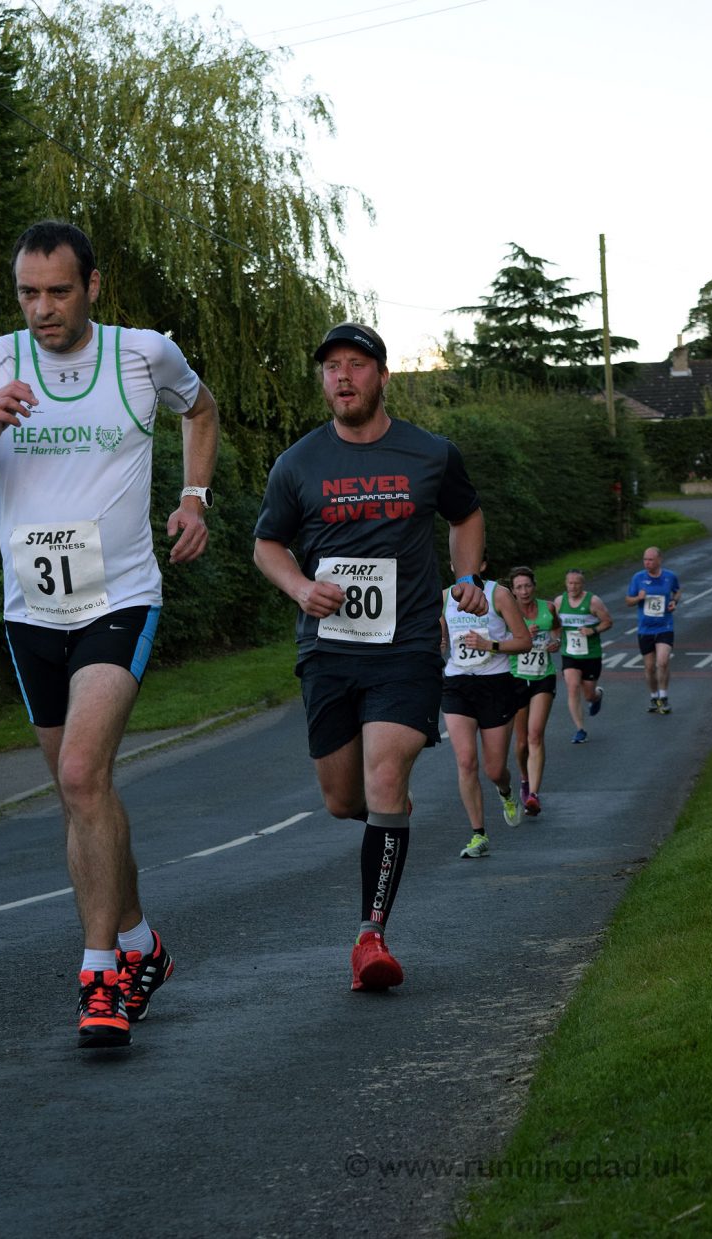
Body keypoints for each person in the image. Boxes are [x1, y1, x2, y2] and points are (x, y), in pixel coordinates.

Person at [0, 220, 219, 1049]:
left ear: (92, 285)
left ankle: (101, 976)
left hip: (119, 598)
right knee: (78, 792)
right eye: (29, 293)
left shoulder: (143, 353)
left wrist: (194, 497)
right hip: (32, 611)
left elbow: (201, 409)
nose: (43, 308)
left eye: (59, 291)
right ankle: (140, 941)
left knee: (85, 773)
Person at [253, 321, 486, 992]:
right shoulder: (298, 463)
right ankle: (389, 819)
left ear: (382, 376)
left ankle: (370, 938)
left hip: (407, 644)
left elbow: (466, 515)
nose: (343, 376)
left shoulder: (430, 453)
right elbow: (267, 544)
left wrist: (466, 576)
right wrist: (301, 587)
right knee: (342, 799)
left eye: (357, 364)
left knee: (385, 777)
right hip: (328, 649)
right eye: (332, 367)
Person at [440, 560, 532, 859]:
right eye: (455, 560)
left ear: (481, 562)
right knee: (466, 761)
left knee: (494, 770)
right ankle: (478, 834)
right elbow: (439, 637)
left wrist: (489, 645)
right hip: (457, 684)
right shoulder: (444, 597)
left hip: (495, 685)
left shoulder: (499, 594)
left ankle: (506, 791)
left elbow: (524, 642)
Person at [509, 567, 562, 817]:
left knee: (535, 735)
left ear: (534, 586)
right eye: (519, 587)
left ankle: (533, 795)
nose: (524, 591)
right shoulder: (507, 612)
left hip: (543, 676)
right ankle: (524, 778)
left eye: (527, 586)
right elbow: (498, 642)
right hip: (517, 678)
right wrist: (521, 637)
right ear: (512, 591)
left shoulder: (548, 608)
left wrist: (556, 641)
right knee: (521, 744)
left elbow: (557, 627)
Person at [554, 568, 613, 744]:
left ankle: (597, 696)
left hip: (590, 655)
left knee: (588, 695)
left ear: (583, 584)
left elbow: (608, 622)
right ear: (566, 584)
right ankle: (580, 729)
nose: (573, 587)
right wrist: (556, 638)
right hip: (569, 653)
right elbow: (555, 625)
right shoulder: (559, 602)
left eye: (576, 583)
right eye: (570, 583)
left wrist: (592, 630)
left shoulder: (593, 602)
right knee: (572, 687)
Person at [625, 546, 682, 714]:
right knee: (649, 667)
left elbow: (677, 591)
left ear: (659, 560)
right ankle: (653, 696)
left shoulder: (670, 576)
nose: (647, 563)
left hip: (665, 626)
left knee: (662, 662)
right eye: (645, 559)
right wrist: (638, 598)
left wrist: (674, 602)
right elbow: (628, 601)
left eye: (650, 559)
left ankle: (663, 697)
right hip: (645, 629)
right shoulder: (638, 578)